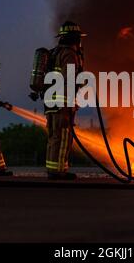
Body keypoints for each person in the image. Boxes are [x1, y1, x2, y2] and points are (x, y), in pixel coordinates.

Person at [44, 21, 85, 180]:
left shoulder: (55, 53)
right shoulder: (69, 54)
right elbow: (70, 78)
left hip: (52, 103)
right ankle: (58, 171)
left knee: (54, 137)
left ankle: (52, 169)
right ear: (75, 38)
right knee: (62, 138)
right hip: (62, 104)